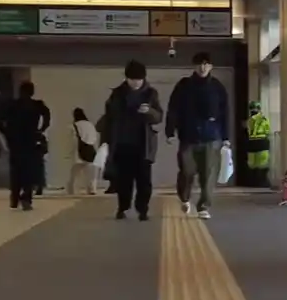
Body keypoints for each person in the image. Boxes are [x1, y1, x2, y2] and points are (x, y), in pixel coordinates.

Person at [166, 52, 229, 219]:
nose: (203, 67)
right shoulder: (184, 85)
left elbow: (225, 113)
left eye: (206, 64)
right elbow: (173, 109)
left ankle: (203, 206)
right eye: (200, 64)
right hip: (188, 135)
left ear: (211, 67)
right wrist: (170, 131)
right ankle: (184, 197)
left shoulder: (217, 87)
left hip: (211, 136)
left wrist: (226, 136)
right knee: (187, 170)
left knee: (208, 174)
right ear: (194, 66)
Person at [103, 60, 163, 221]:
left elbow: (158, 117)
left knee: (144, 181)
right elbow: (109, 118)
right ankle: (122, 207)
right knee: (124, 181)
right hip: (122, 144)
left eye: (139, 79)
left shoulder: (151, 94)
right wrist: (106, 141)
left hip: (144, 145)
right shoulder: (117, 94)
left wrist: (149, 111)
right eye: (132, 79)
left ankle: (143, 210)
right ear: (126, 78)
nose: (135, 83)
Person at [2, 81, 50, 210]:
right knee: (29, 170)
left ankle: (14, 198)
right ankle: (26, 197)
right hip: (30, 141)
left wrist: (8, 134)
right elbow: (47, 117)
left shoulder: (12, 105)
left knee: (16, 170)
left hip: (16, 142)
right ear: (32, 91)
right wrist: (40, 130)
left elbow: (2, 120)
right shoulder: (37, 105)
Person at [68, 107, 100, 196]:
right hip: (90, 149)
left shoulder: (74, 126)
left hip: (78, 151)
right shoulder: (90, 125)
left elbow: (72, 140)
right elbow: (95, 137)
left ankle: (72, 190)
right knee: (91, 172)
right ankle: (92, 189)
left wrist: (69, 152)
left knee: (75, 173)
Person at [244, 101, 272, 183]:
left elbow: (249, 130)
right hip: (262, 142)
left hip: (252, 143)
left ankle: (254, 182)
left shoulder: (250, 120)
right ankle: (262, 182)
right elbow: (267, 130)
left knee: (252, 165)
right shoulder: (264, 119)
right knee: (262, 164)